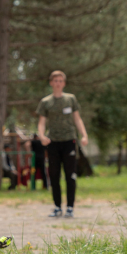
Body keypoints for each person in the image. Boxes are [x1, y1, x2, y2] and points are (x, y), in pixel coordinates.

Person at [37, 70, 88, 218]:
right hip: (53, 142)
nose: (58, 83)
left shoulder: (70, 99)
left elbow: (77, 118)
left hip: (69, 141)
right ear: (51, 83)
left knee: (70, 175)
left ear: (64, 83)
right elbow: (42, 122)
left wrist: (84, 135)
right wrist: (41, 136)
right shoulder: (45, 102)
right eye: (55, 81)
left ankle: (70, 207)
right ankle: (57, 207)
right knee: (54, 175)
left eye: (60, 81)